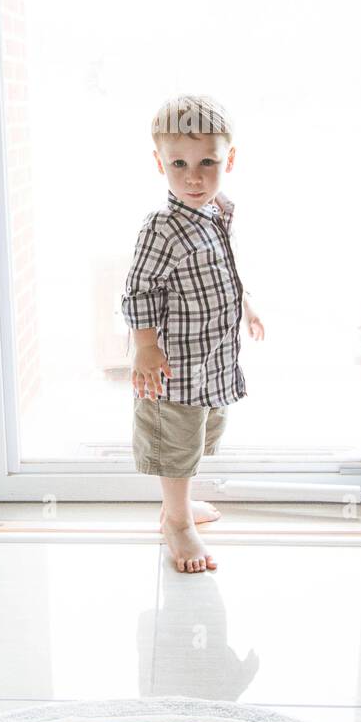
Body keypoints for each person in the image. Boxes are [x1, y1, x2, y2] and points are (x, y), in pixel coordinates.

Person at [121, 93, 265, 572]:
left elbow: (226, 269)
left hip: (214, 359)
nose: (194, 177)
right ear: (159, 162)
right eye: (178, 163)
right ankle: (176, 523)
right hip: (175, 368)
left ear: (231, 159)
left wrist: (245, 306)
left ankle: (176, 506)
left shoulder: (217, 212)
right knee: (176, 444)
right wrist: (145, 347)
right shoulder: (161, 227)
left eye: (208, 162)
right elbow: (139, 290)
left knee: (201, 434)